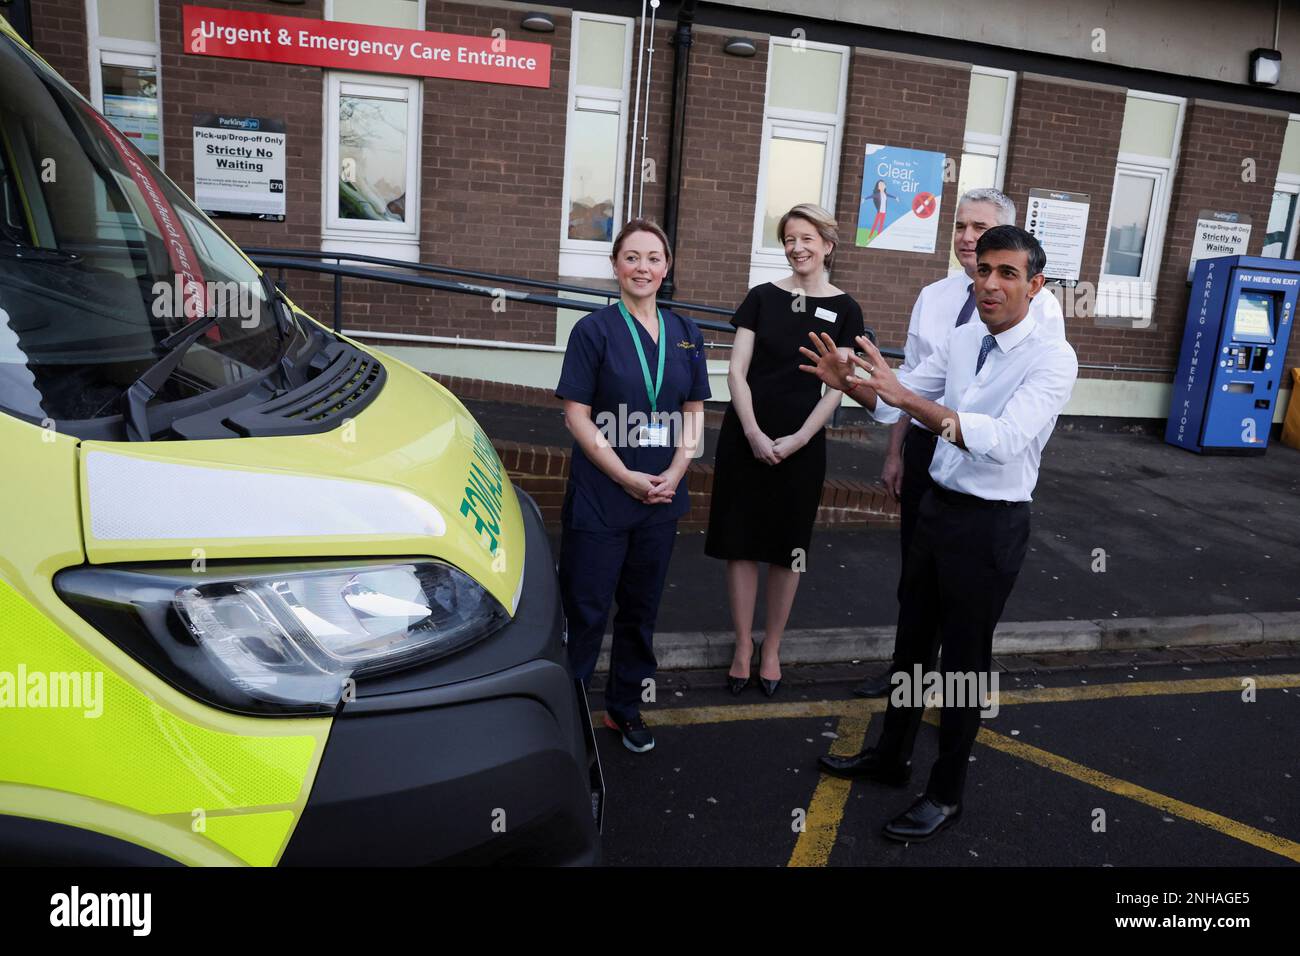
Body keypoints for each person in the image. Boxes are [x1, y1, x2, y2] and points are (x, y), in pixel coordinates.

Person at [800, 225, 1077, 842]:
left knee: (962, 667)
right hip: (938, 511)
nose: (990, 284)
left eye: (1007, 273)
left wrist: (903, 397)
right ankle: (891, 756)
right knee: (912, 648)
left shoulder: (1053, 358)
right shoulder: (964, 337)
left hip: (990, 526)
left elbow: (1003, 442)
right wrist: (851, 383)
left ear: (1035, 285)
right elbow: (898, 398)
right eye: (983, 270)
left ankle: (946, 793)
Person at [854, 187, 1066, 699]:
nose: (968, 238)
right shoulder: (937, 298)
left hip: (988, 482)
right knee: (918, 587)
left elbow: (1007, 434)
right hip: (930, 453)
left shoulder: (1044, 319)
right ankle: (910, 679)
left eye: (981, 229)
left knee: (966, 621)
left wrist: (907, 400)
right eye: (961, 227)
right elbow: (904, 387)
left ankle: (951, 694)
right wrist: (891, 443)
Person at [556, 218, 711, 754]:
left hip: (660, 500)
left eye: (653, 258)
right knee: (586, 610)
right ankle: (568, 715)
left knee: (640, 612)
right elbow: (576, 416)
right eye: (632, 257)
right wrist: (624, 476)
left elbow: (694, 411)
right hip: (603, 498)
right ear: (615, 266)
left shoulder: (687, 333)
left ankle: (624, 707)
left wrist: (674, 472)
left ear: (666, 268)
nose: (643, 267)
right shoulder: (592, 331)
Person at [704, 204, 864, 697]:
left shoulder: (846, 310)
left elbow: (837, 389)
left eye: (806, 238)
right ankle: (742, 647)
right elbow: (737, 371)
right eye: (790, 238)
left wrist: (799, 439)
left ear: (828, 245)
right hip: (745, 435)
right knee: (741, 544)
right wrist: (751, 431)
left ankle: (771, 647)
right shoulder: (761, 298)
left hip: (803, 442)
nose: (797, 247)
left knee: (787, 552)